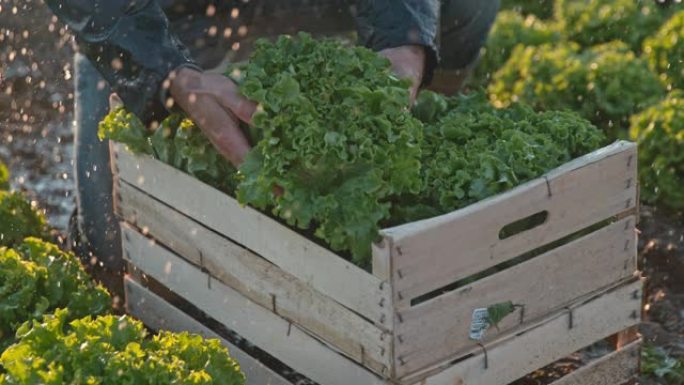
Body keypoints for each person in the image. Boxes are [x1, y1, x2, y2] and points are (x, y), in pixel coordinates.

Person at [45, 0, 500, 295]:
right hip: (162, 13)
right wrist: (164, 71)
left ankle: (428, 113)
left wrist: (404, 40)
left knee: (459, 6)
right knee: (112, 250)